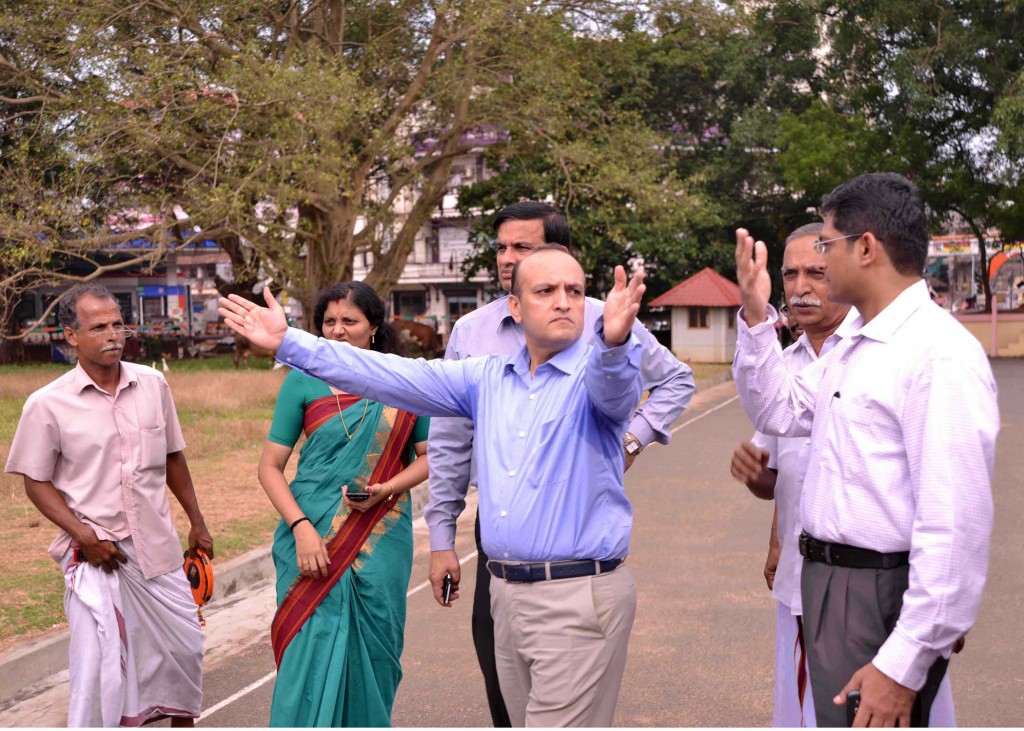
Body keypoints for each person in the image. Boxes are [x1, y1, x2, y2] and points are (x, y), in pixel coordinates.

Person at [219, 246, 647, 727]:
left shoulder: (596, 376)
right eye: (546, 290)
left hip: (578, 594)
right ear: (515, 307)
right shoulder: (486, 378)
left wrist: (614, 344)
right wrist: (290, 343)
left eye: (575, 291)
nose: (564, 301)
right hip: (508, 596)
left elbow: (616, 391)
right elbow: (391, 374)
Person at [732, 173, 998, 727]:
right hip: (829, 583)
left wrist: (905, 664)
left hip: (879, 588)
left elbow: (954, 527)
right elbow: (778, 409)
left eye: (827, 245)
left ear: (867, 248)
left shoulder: (935, 355)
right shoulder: (858, 345)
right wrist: (757, 318)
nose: (819, 265)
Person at [425, 201, 694, 726]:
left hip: (572, 528)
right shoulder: (472, 332)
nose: (508, 257)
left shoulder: (604, 320)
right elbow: (450, 441)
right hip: (499, 531)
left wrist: (630, 443)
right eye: (501, 247)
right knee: (503, 677)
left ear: (561, 253)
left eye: (522, 246)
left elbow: (674, 380)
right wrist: (441, 539)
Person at [5, 283, 213, 727]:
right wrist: (84, 535)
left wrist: (197, 521)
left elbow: (173, 457)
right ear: (71, 336)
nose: (113, 334)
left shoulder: (153, 385)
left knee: (185, 648)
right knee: (101, 667)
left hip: (158, 547)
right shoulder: (47, 404)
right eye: (98, 327)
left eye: (118, 324)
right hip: (97, 556)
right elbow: (35, 481)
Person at [257, 282, 430, 727]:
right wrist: (301, 528)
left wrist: (387, 488)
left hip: (382, 535)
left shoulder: (403, 380)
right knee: (307, 651)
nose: (337, 330)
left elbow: (430, 458)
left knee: (375, 649)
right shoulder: (301, 381)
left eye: (349, 320)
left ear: (373, 327)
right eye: (329, 321)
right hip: (308, 533)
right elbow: (270, 467)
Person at [730, 222, 847, 726]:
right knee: (802, 708)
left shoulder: (870, 349)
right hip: (801, 572)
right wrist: (757, 476)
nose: (801, 288)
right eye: (790, 274)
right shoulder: (779, 364)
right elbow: (778, 477)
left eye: (817, 272)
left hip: (869, 580)